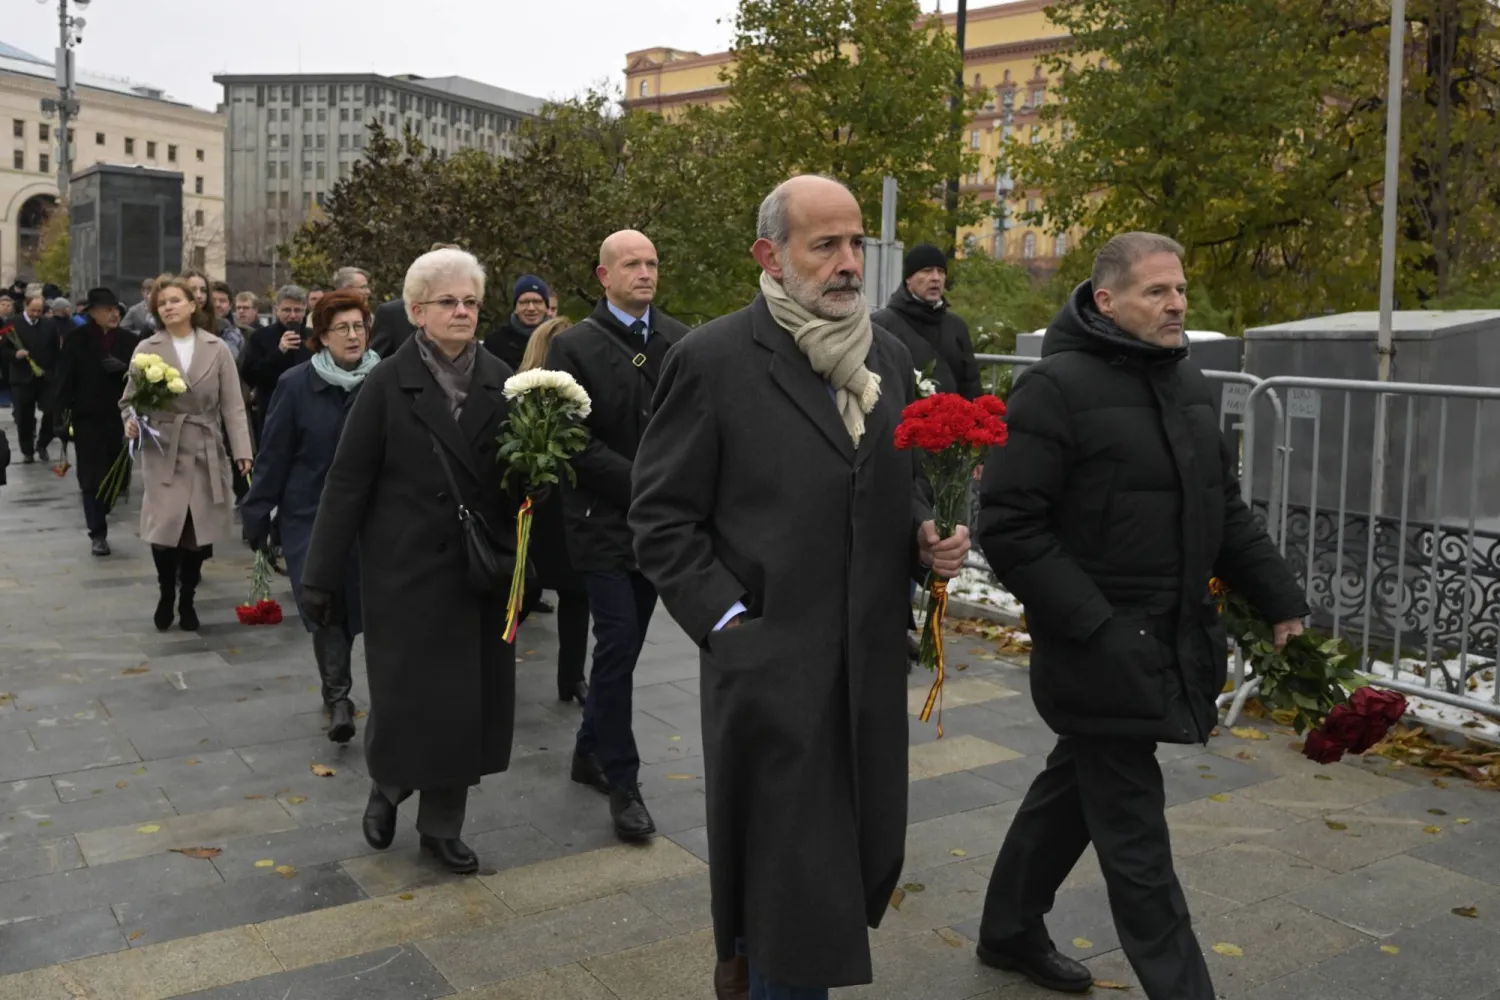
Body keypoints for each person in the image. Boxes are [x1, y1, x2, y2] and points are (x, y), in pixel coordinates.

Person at [630, 175, 971, 1000]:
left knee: (848, 856)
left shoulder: (885, 354)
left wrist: (927, 532)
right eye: (826, 245)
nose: (849, 263)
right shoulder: (711, 359)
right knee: (793, 877)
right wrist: (732, 623)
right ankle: (765, 966)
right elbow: (660, 518)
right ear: (770, 257)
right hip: (771, 664)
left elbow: (891, 481)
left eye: (856, 243)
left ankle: (753, 956)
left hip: (865, 663)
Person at [972, 232, 1307, 998]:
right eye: (1157, 291)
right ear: (1106, 300)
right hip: (1101, 647)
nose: (1177, 303)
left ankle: (1007, 929)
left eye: (1180, 289)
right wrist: (1094, 624)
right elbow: (1011, 526)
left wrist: (1278, 598)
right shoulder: (1053, 389)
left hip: (1169, 635)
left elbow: (1222, 509)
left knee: (1075, 789)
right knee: (1135, 838)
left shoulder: (1189, 386)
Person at [300, 247, 521, 874]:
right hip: (403, 573)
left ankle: (442, 826)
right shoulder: (386, 383)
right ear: (417, 311)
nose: (461, 312)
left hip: (476, 573)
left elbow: (518, 484)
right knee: (404, 700)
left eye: (471, 302)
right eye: (447, 302)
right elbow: (346, 484)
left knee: (465, 709)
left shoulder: (502, 380)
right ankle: (388, 784)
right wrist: (320, 576)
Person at [546, 230, 689, 842]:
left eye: (653, 262)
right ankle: (622, 780)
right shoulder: (572, 346)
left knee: (623, 649)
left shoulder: (680, 340)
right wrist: (643, 483)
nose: (645, 272)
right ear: (604, 276)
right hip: (599, 523)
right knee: (617, 643)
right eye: (632, 263)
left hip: (656, 529)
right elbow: (569, 439)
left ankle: (586, 749)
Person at [242, 290, 378, 744]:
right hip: (310, 514)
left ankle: (375, 691)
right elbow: (274, 454)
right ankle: (338, 697)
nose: (353, 335)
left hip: (372, 516)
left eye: (359, 326)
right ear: (321, 336)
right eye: (343, 328)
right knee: (324, 604)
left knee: (367, 602)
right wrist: (258, 512)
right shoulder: (296, 384)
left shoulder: (384, 381)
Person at [123, 275, 254, 632]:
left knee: (197, 531)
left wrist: (242, 450)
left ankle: (188, 597)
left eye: (175, 300)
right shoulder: (147, 349)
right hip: (163, 447)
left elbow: (233, 405)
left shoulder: (217, 348)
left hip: (204, 446)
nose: (168, 307)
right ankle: (166, 591)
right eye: (162, 302)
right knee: (164, 528)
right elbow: (129, 399)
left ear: (194, 305)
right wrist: (132, 422)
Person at [516, 316, 589, 706]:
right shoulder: (524, 395)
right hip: (539, 512)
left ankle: (573, 677)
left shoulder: (582, 398)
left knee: (577, 595)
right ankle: (490, 658)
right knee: (525, 592)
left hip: (575, 510)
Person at [52, 288, 139, 556]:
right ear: (92, 313)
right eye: (107, 310)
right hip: (87, 417)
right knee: (91, 477)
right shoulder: (77, 339)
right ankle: (97, 532)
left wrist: (124, 369)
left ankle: (103, 509)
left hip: (120, 419)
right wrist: (58, 418)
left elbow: (142, 378)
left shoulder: (129, 340)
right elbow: (63, 379)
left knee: (117, 478)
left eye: (116, 309)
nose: (114, 314)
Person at [871, 243, 982, 399]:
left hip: (951, 421)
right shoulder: (882, 324)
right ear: (908, 278)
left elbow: (971, 386)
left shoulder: (957, 327)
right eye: (927, 271)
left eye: (941, 271)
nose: (936, 278)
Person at [239, 285, 312, 443]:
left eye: (298, 310)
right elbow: (250, 375)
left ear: (305, 310)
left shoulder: (314, 338)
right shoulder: (260, 337)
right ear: (276, 309)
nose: (292, 316)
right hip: (271, 413)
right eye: (287, 310)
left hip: (308, 414)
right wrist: (279, 352)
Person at [1, 294, 59, 463]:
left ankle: (42, 444)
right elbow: (3, 351)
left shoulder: (49, 324)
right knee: (24, 416)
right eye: (33, 310)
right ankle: (27, 450)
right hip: (21, 378)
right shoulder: (12, 324)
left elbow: (55, 350)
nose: (35, 314)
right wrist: (15, 354)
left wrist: (54, 372)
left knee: (51, 411)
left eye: (39, 311)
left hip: (44, 377)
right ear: (26, 307)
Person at [483, 275, 550, 372]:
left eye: (537, 302)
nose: (531, 308)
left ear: (546, 307)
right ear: (515, 308)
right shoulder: (495, 342)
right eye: (524, 302)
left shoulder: (559, 340)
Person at [209, 281, 245, 361]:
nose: (217, 304)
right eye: (213, 300)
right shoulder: (196, 329)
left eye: (222, 301)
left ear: (230, 305)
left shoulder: (245, 333)